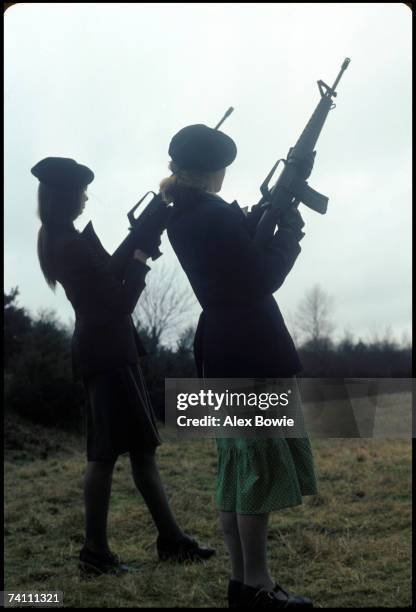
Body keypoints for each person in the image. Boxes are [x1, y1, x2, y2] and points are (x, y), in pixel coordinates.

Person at [31, 156, 215, 576]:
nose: (85, 197)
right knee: (107, 455)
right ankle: (99, 553)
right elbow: (117, 302)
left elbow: (106, 276)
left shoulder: (62, 239)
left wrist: (143, 230)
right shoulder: (69, 244)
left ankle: (169, 541)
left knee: (135, 451)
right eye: (80, 191)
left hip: (107, 351)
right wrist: (139, 258)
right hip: (108, 351)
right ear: (63, 196)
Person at [159, 126, 318, 607]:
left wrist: (256, 221)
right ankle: (259, 586)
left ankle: (241, 582)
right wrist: (288, 231)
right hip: (251, 348)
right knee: (256, 476)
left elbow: (233, 267)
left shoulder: (183, 214)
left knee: (237, 470)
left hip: (222, 348)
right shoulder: (211, 213)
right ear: (213, 170)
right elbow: (260, 277)